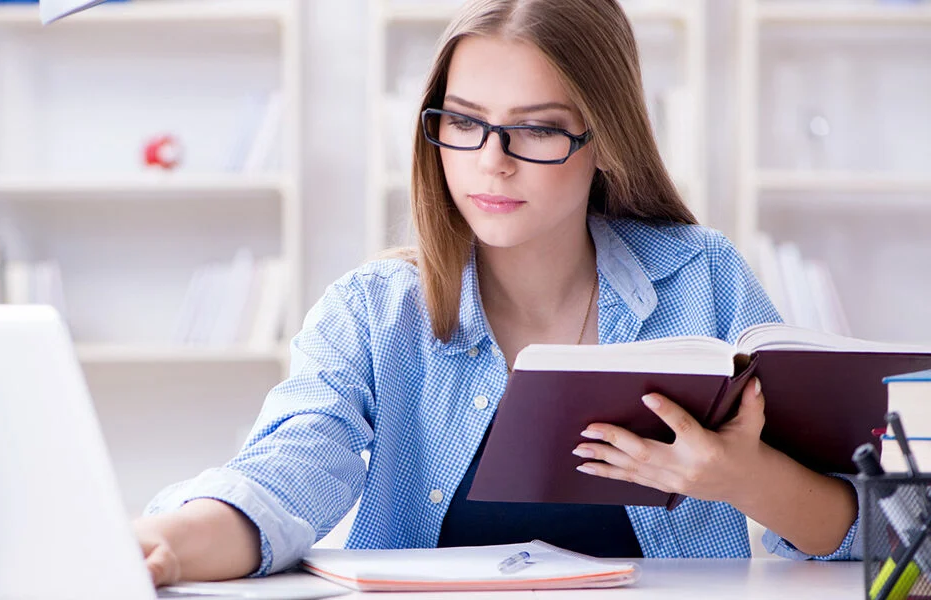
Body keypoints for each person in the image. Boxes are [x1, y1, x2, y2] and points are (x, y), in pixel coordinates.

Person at [133, 0, 861, 585]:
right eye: (464, 122)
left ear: (605, 139)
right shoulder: (374, 312)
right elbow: (285, 477)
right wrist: (163, 542)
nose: (492, 162)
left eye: (537, 130)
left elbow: (874, 530)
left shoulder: (702, 281)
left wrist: (744, 478)